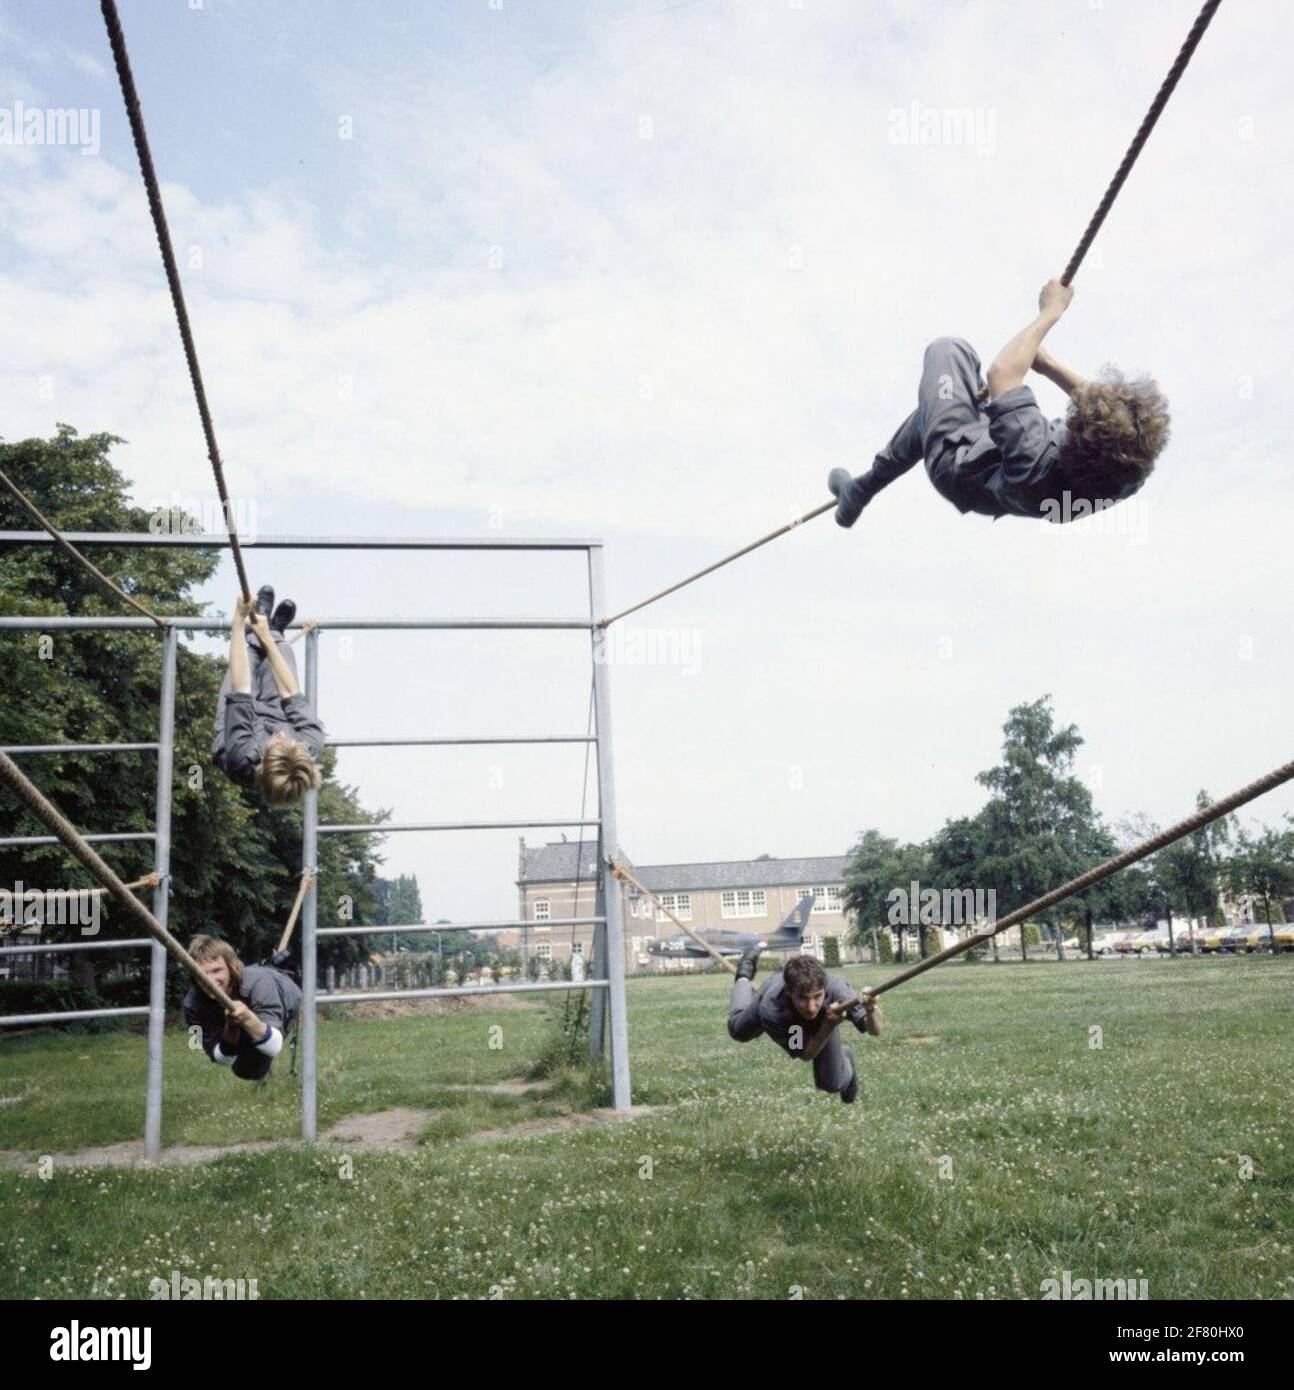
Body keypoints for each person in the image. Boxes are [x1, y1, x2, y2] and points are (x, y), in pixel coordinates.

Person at [827, 280, 1170, 527]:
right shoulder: (1127, 470)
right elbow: (1104, 409)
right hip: (988, 456)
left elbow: (1002, 374)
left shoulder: (1033, 460)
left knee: (949, 350)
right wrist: (1048, 366)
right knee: (934, 409)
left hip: (954, 464)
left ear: (1081, 442)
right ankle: (860, 491)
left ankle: (860, 491)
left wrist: (1050, 313)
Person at [211, 586, 324, 806]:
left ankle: (259, 630)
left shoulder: (241, 760)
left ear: (264, 760)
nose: (281, 735)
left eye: (277, 743)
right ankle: (274, 631)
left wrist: (238, 620)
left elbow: (241, 687)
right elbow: (291, 693)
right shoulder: (311, 745)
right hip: (278, 714)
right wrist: (268, 638)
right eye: (289, 742)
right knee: (281, 656)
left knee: (250, 660)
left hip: (234, 729)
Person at [727, 950, 881, 1104]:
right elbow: (805, 1054)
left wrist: (870, 1009)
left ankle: (845, 1056)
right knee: (737, 1030)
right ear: (789, 991)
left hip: (826, 1018)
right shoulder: (773, 1008)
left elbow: (875, 1030)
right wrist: (828, 1025)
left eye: (817, 996)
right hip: (790, 1016)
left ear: (825, 988)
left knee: (830, 1083)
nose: (811, 1007)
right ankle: (744, 973)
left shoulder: (838, 991)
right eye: (802, 998)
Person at [183, 936, 302, 1082]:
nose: (210, 981)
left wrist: (247, 1018)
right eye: (202, 974)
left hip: (286, 995)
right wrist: (231, 1028)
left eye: (217, 971)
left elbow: (274, 1046)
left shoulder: (260, 986)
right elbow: (222, 1059)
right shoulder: (192, 1004)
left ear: (231, 968)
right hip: (249, 994)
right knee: (243, 1070)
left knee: (252, 1067)